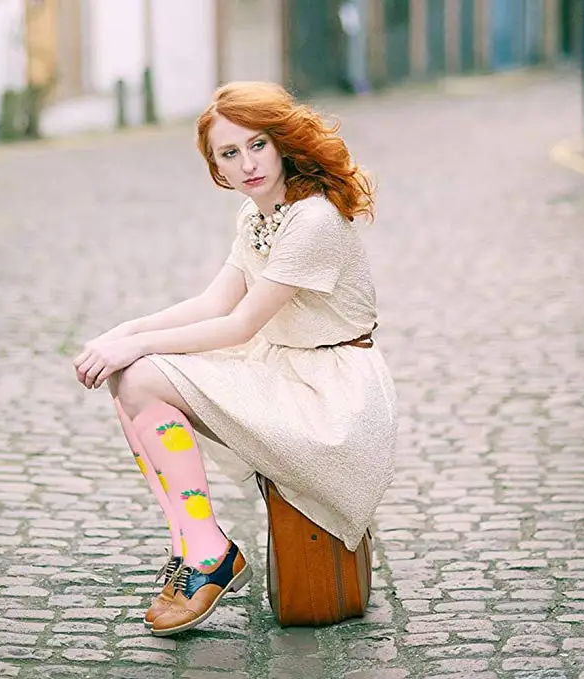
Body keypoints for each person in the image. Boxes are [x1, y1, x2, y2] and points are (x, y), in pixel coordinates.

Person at [73, 81, 397, 637]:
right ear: (215, 166)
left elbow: (239, 324)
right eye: (229, 153)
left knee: (142, 373)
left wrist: (136, 345)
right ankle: (194, 545)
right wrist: (124, 333)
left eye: (257, 145)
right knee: (129, 377)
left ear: (282, 144)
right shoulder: (257, 215)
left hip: (334, 396)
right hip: (288, 368)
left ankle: (208, 554)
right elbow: (212, 302)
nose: (246, 164)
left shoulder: (312, 220)